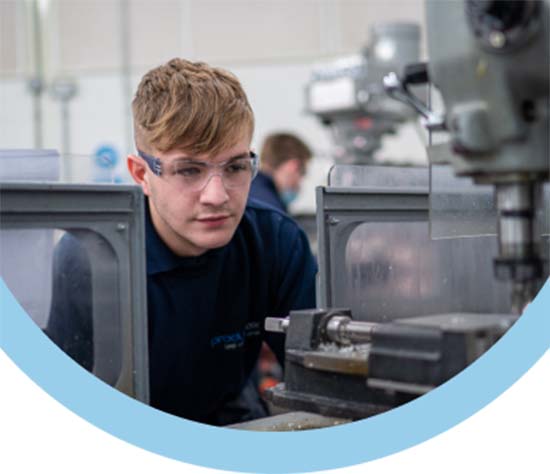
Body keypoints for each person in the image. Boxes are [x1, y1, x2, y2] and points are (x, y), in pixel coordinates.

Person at [46, 58, 317, 426]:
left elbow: (322, 383)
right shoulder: (92, 258)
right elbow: (66, 408)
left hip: (232, 418)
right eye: (189, 170)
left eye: (236, 167)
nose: (217, 195)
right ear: (141, 173)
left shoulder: (275, 242)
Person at [249, 132, 312, 213]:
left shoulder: (249, 189)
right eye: (303, 173)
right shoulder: (271, 208)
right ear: (294, 166)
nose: (300, 182)